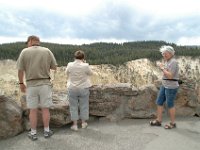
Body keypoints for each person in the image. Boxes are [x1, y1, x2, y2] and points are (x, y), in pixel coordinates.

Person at [17, 35, 57, 140]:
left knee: (33, 110)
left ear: (30, 41)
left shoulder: (24, 52)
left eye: (27, 42)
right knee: (45, 109)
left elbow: (20, 70)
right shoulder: (47, 51)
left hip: (30, 85)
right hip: (45, 83)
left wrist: (21, 83)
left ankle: (33, 133)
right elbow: (54, 67)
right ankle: (47, 131)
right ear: (38, 42)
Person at [149, 45, 179, 129]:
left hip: (171, 87)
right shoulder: (168, 61)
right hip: (165, 85)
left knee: (170, 104)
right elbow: (167, 71)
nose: (164, 55)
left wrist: (162, 68)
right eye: (163, 53)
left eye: (166, 53)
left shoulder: (173, 62)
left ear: (171, 53)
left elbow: (170, 76)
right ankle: (158, 120)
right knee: (159, 102)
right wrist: (163, 66)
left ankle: (173, 123)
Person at [65, 50, 93, 131]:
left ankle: (75, 125)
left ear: (74, 57)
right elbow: (91, 73)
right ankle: (83, 123)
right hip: (83, 88)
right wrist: (85, 63)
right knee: (84, 105)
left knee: (73, 106)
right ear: (83, 58)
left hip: (72, 88)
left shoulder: (70, 65)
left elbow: (66, 73)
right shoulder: (85, 65)